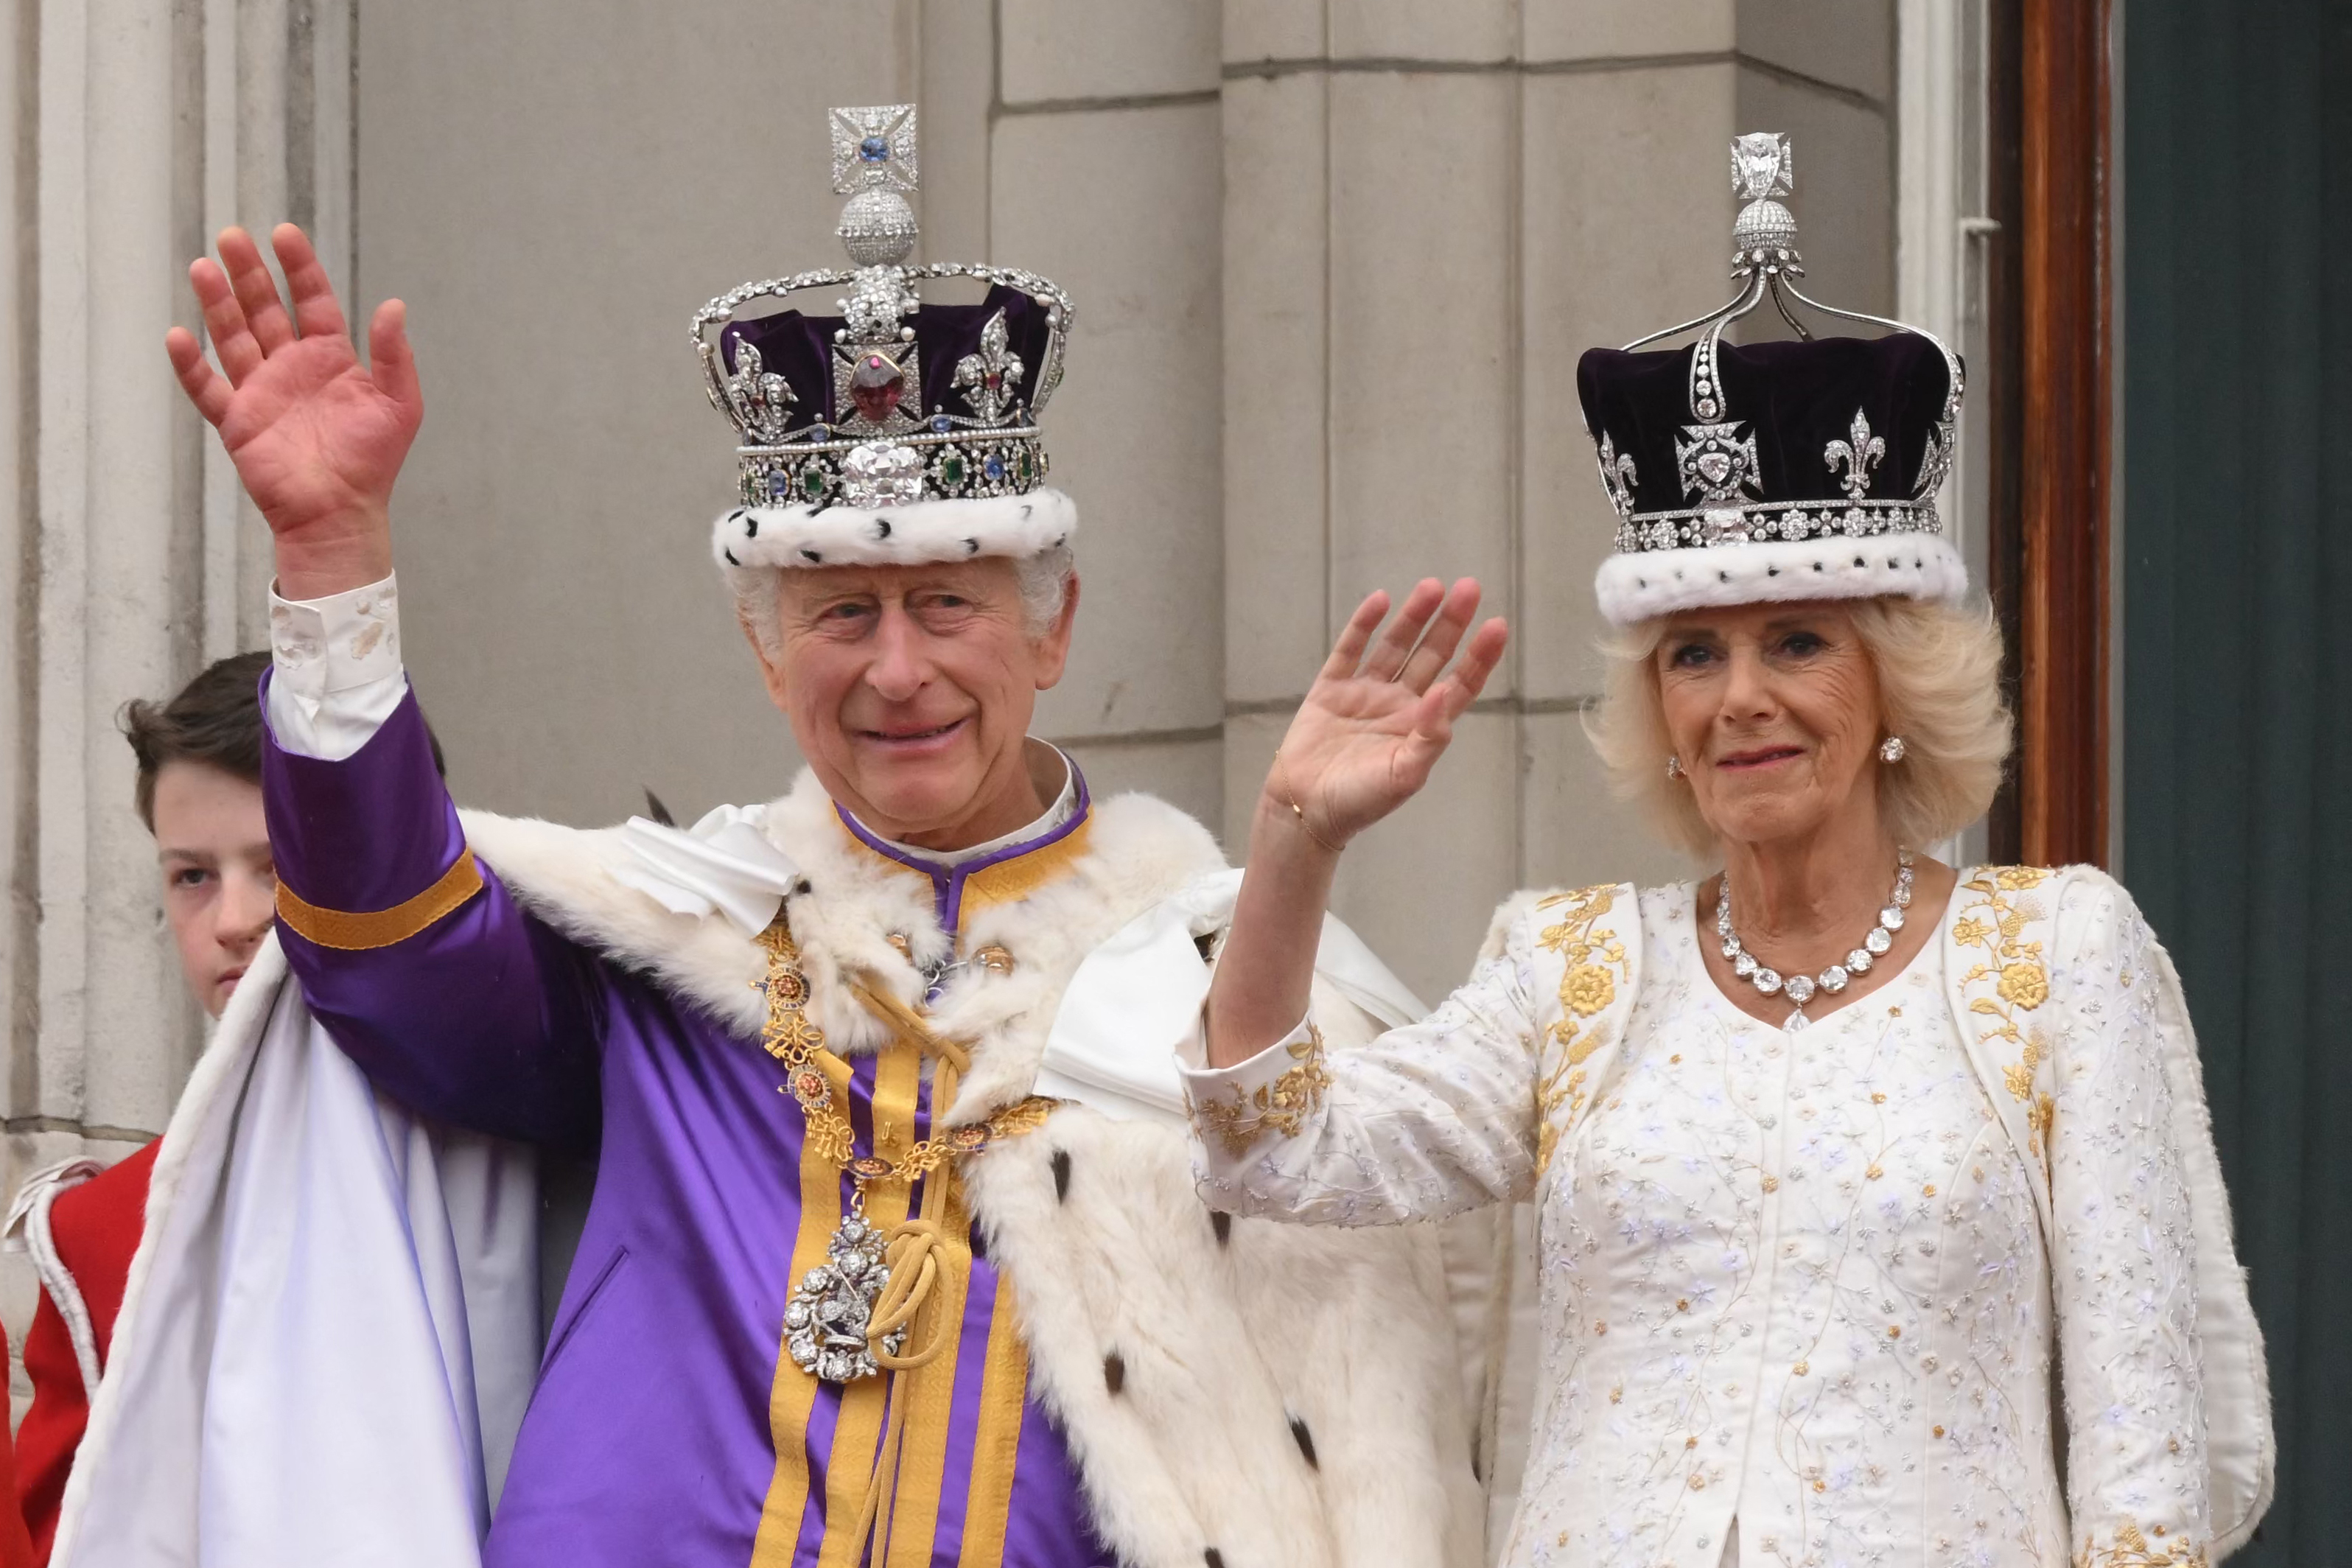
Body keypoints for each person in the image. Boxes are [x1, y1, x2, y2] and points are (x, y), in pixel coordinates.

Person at [60, 105, 1483, 1567]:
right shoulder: (674, 936)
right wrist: (332, 561)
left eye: (950, 604)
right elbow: (387, 952)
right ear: (765, 650)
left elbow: (1345, 1416)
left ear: (1053, 626)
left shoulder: (1212, 981)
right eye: (842, 615)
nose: (898, 670)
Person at [1180, 135, 2272, 1568]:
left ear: (1895, 683)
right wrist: (1294, 841)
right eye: (1696, 651)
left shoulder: (2061, 951)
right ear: (1662, 708)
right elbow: (1276, 1157)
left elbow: (2147, 1449)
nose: (1741, 693)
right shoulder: (1566, 965)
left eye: (1799, 640)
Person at [10, 651, 274, 1562]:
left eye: (279, 867)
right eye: (192, 875)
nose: (233, 919)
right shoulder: (95, 1229)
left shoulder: (528, 1145)